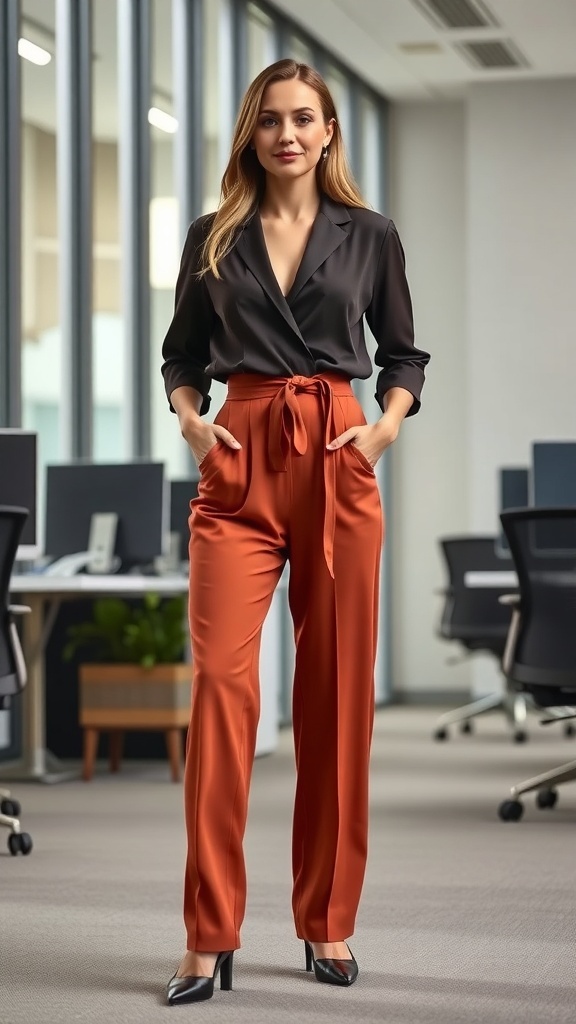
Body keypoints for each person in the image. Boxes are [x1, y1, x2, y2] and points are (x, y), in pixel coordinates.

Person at [161, 58, 430, 1005]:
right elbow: (180, 354)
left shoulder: (371, 235)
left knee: (337, 701)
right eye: (270, 118)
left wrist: (384, 427)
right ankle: (208, 935)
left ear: (327, 134)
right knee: (223, 693)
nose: (287, 133)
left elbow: (403, 352)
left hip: (338, 462)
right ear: (252, 132)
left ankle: (327, 922)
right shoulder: (213, 237)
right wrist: (194, 422)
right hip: (237, 462)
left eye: (304, 119)